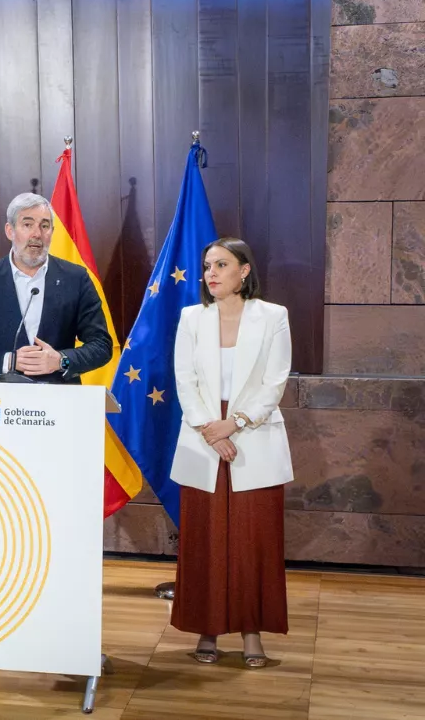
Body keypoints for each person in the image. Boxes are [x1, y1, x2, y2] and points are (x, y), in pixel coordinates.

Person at [169, 236, 294, 669]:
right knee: (205, 539)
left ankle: (251, 632)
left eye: (221, 265)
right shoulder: (191, 318)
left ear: (244, 271)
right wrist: (210, 428)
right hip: (203, 434)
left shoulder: (273, 316)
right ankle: (206, 628)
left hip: (252, 436)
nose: (211, 274)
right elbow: (184, 380)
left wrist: (235, 423)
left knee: (251, 541)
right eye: (207, 266)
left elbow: (275, 381)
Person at [0, 192, 112, 383]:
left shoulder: (76, 278)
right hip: (2, 401)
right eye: (27, 224)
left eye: (45, 226)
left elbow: (101, 345)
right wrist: (9, 361)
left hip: (60, 402)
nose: (37, 234)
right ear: (10, 231)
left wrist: (61, 361)